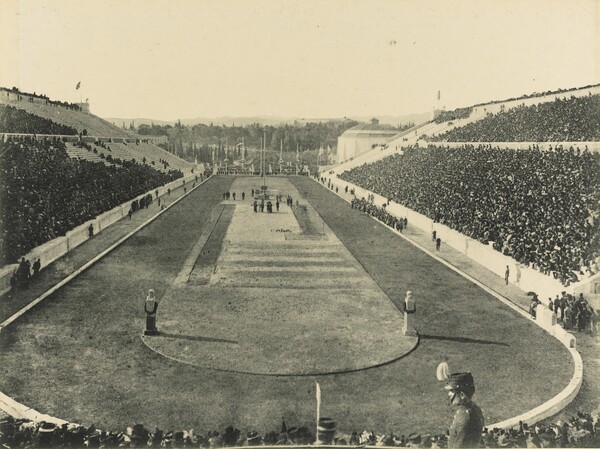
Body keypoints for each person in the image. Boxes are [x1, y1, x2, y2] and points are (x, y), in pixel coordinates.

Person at [444, 372, 484, 448]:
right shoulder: (473, 409)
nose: (449, 394)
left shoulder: (464, 417)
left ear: (462, 395)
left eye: (452, 391)